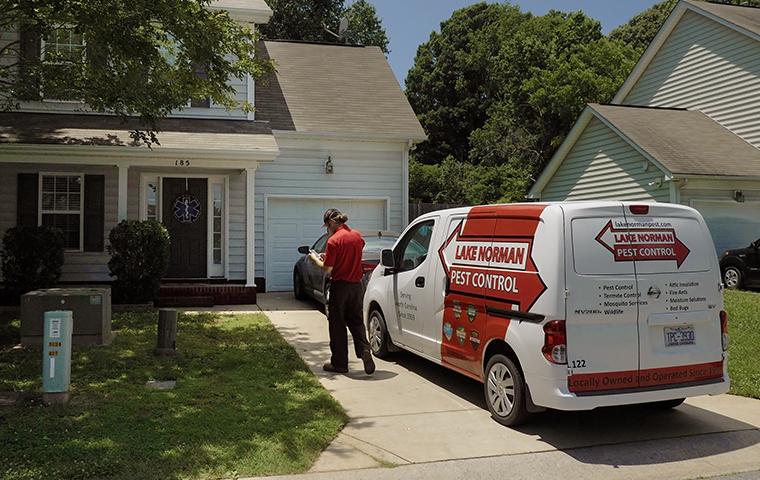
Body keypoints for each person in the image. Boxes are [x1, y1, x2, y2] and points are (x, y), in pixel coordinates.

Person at [309, 208, 375, 375]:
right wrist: (331, 256)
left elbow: (327, 268)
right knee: (356, 321)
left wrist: (315, 258)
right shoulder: (357, 236)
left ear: (331, 223)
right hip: (356, 286)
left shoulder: (333, 241)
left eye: (326, 226)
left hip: (340, 287)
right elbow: (350, 254)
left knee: (337, 324)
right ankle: (364, 350)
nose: (327, 229)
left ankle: (339, 364)